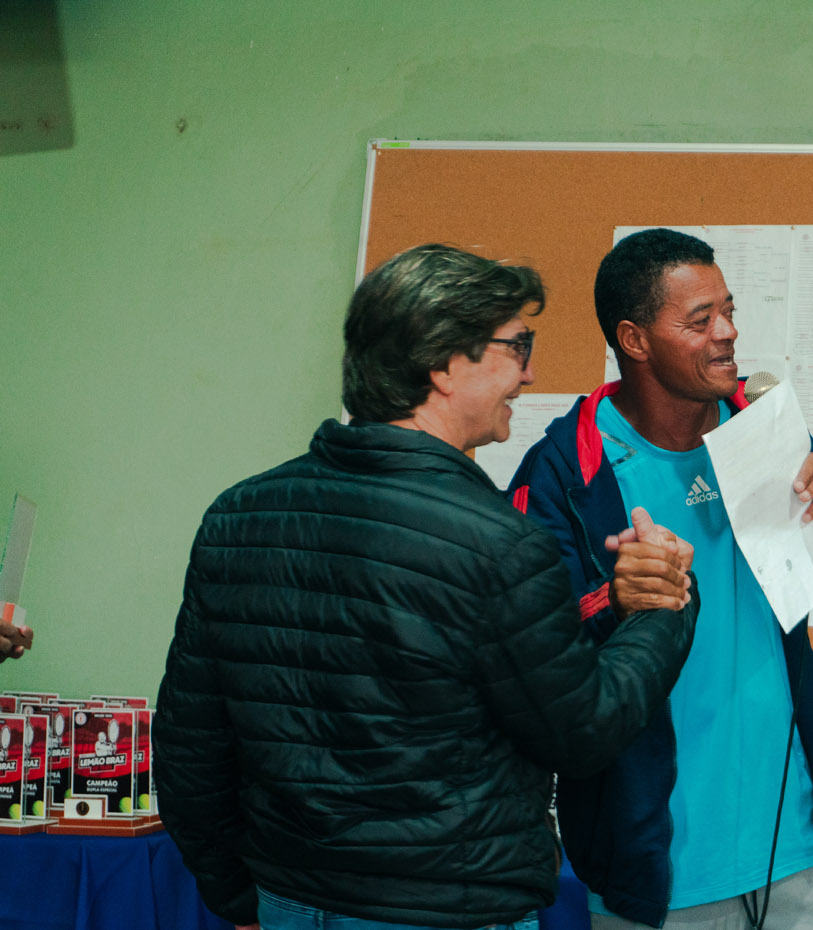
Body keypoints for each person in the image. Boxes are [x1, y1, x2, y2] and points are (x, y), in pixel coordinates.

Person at [153, 244, 701, 930]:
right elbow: (582, 731)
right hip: (449, 911)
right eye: (516, 346)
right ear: (442, 366)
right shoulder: (499, 544)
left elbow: (190, 747)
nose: (529, 373)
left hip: (290, 902)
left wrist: (238, 898)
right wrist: (665, 605)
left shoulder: (237, 517)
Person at [508, 228, 813, 930]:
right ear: (635, 340)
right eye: (700, 320)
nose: (727, 333)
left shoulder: (761, 430)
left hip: (794, 844)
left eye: (728, 311)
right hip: (658, 868)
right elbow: (527, 651)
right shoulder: (564, 471)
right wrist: (615, 600)